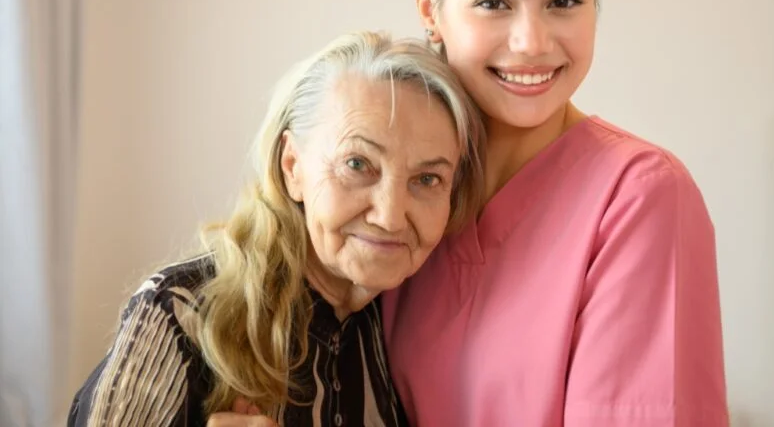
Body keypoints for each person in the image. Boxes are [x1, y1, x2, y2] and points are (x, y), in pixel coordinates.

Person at [380, 0, 729, 426]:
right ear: (430, 9)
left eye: (564, 1)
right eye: (494, 3)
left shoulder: (640, 198)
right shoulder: (393, 187)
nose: (532, 42)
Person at [67, 32, 484, 427]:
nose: (391, 216)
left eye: (427, 179)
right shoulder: (180, 314)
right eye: (357, 164)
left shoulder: (404, 322)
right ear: (292, 167)